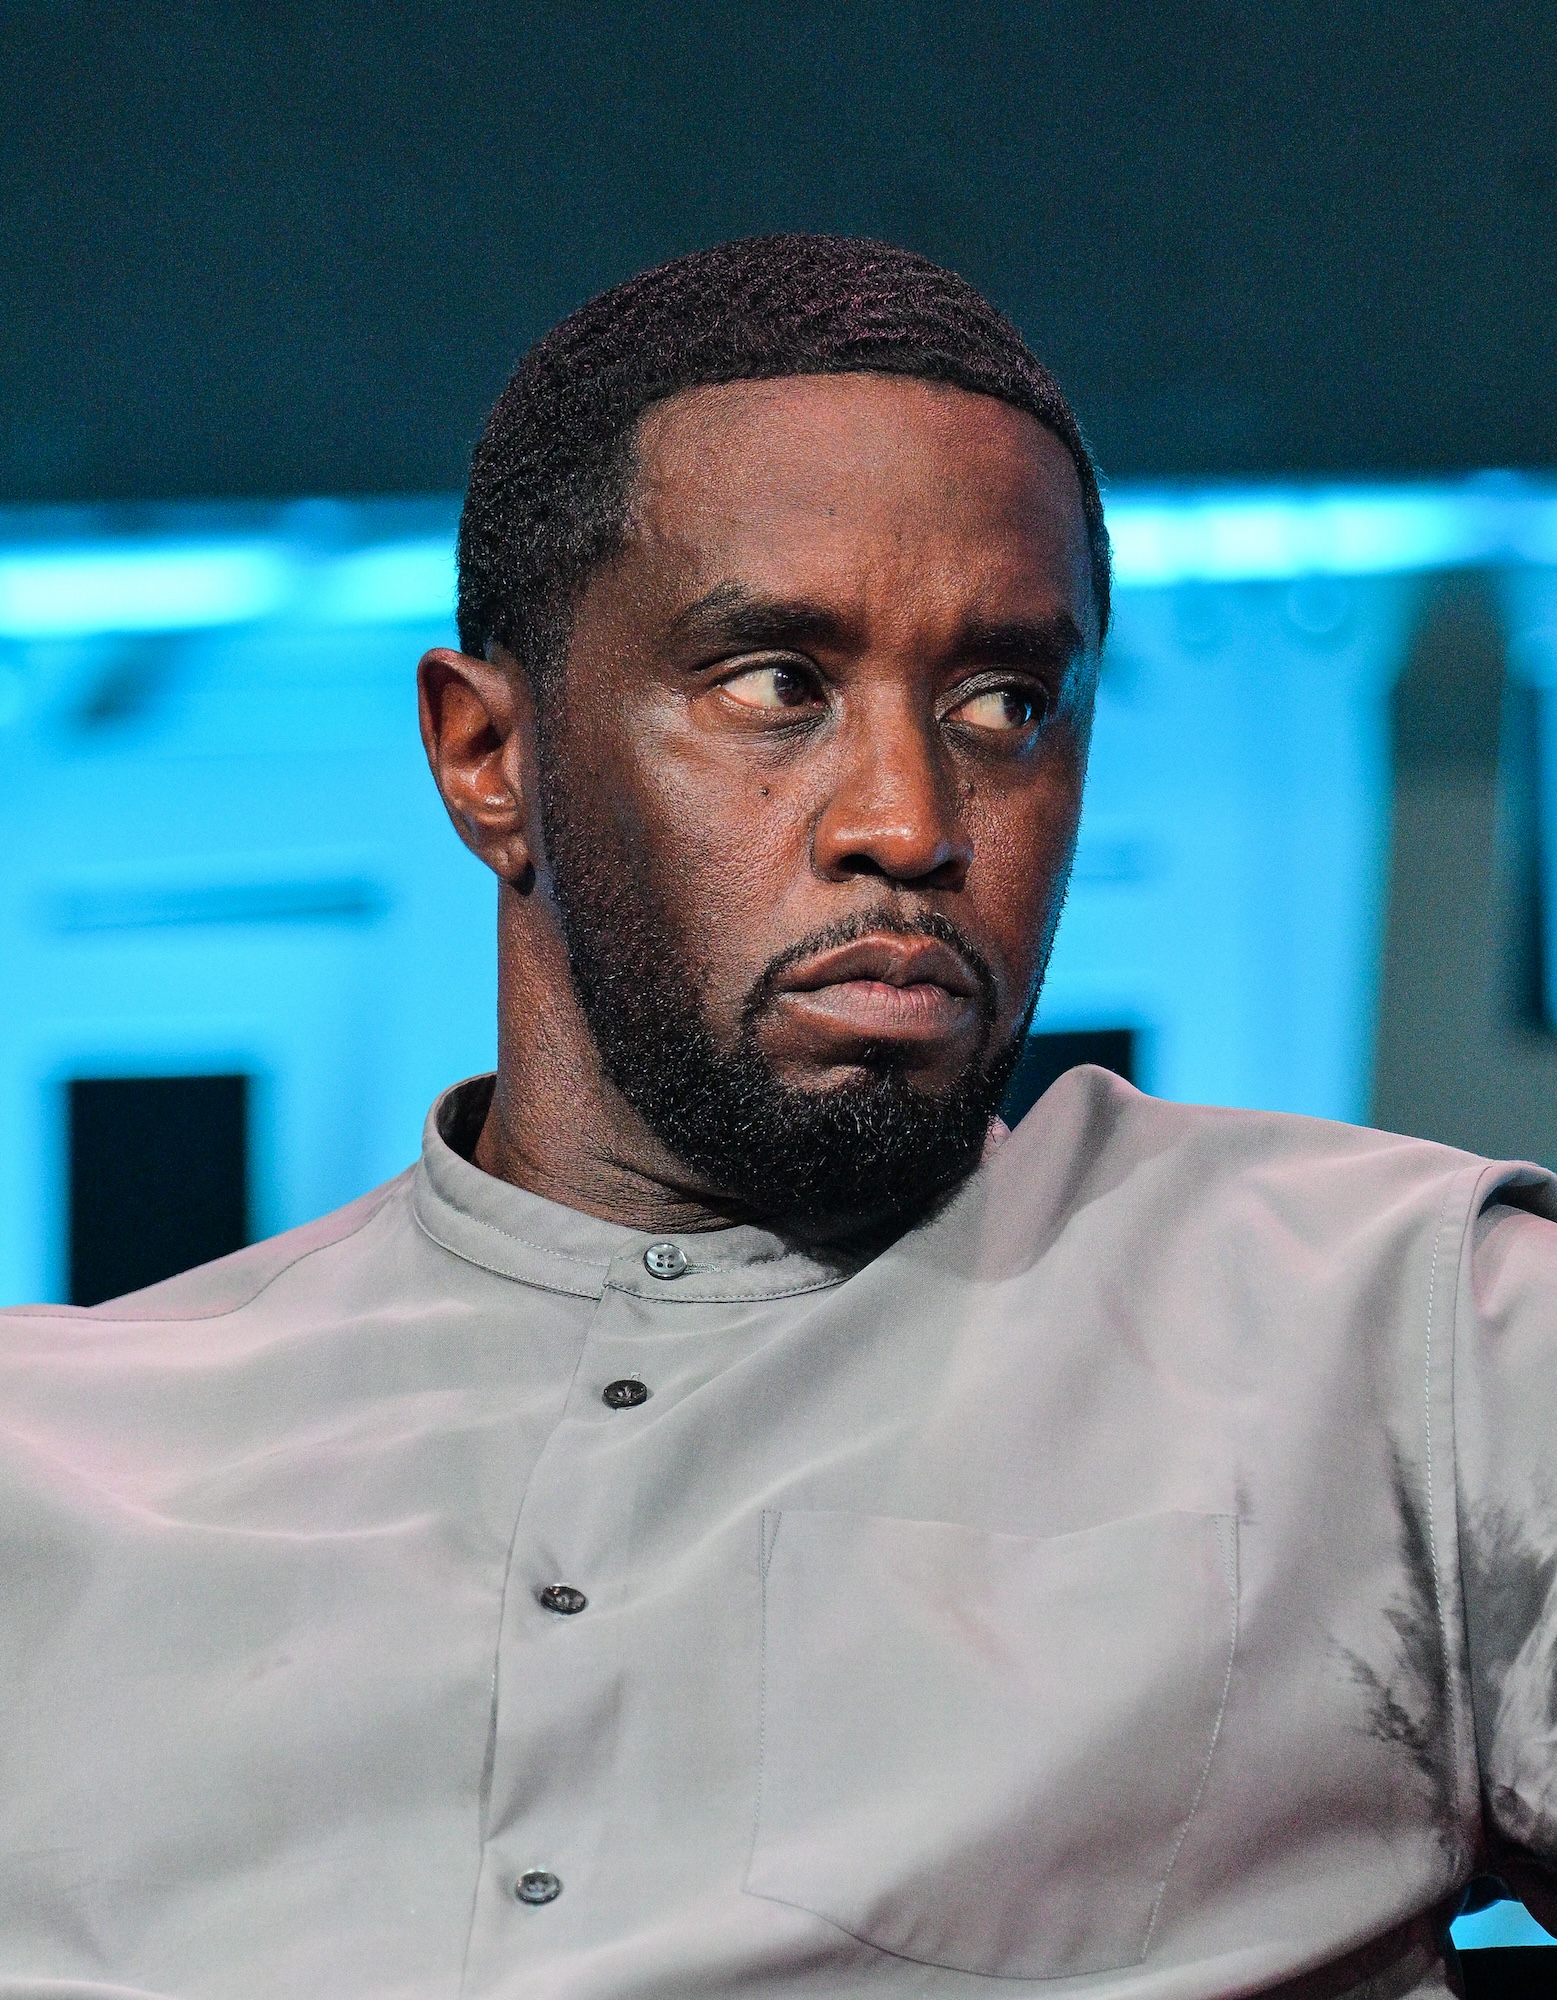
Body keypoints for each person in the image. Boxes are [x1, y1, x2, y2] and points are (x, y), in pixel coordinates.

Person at [1, 234, 1552, 2000]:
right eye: (775, 687)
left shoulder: (1401, 1338)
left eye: (1005, 703)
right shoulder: (54, 1470)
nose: (908, 820)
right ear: (488, 759)